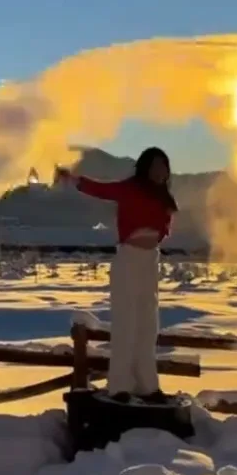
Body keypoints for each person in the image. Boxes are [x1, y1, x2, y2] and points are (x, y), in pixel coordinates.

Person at [55, 147, 177, 404]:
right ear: (145, 167)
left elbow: (162, 229)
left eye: (163, 166)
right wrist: (73, 180)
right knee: (126, 324)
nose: (160, 171)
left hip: (149, 263)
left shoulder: (164, 198)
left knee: (147, 326)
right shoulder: (130, 188)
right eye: (155, 166)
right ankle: (120, 385)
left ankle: (147, 386)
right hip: (128, 260)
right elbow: (101, 189)